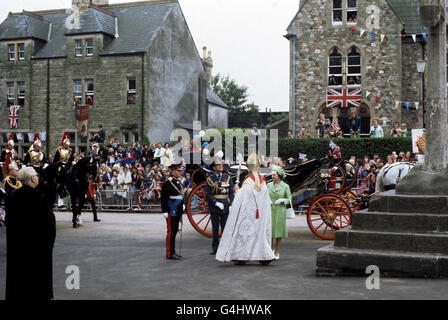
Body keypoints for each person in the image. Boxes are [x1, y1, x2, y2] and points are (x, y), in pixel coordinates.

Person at [5, 166, 56, 300]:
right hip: (37, 247)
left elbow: (8, 221)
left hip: (17, 246)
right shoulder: (39, 197)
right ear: (33, 178)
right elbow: (49, 223)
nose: (38, 177)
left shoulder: (12, 196)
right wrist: (49, 243)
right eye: (37, 176)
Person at [216, 153, 276, 265]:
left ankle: (241, 256)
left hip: (247, 215)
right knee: (259, 234)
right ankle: (263, 255)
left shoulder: (248, 182)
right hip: (260, 216)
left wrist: (237, 190)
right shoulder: (263, 182)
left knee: (244, 235)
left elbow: (240, 199)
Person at [205, 158, 235, 255]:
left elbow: (231, 193)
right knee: (215, 228)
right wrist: (215, 202)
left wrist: (231, 204)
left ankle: (226, 247)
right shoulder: (210, 179)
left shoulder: (227, 178)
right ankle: (215, 248)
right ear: (214, 167)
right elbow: (208, 194)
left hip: (225, 205)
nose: (220, 166)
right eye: (218, 165)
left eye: (221, 164)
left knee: (225, 228)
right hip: (215, 205)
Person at [161, 163, 185, 260]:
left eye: (180, 171)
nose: (180, 172)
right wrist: (164, 211)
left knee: (175, 231)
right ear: (173, 171)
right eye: (178, 171)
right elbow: (164, 198)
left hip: (177, 208)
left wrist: (182, 204)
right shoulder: (168, 182)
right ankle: (169, 253)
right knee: (171, 232)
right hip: (171, 210)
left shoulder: (178, 181)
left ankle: (173, 251)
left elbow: (180, 195)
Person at [267, 166, 291, 260]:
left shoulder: (285, 186)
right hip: (270, 209)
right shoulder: (268, 185)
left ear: (279, 175)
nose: (272, 176)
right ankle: (270, 250)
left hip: (280, 211)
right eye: (272, 175)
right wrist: (267, 200)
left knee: (278, 232)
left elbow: (289, 199)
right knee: (269, 231)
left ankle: (277, 252)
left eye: (274, 175)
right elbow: (264, 195)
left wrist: (282, 200)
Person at [53, 132, 74, 198]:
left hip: (68, 167)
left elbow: (71, 159)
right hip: (60, 167)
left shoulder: (70, 151)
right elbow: (55, 160)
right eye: (66, 144)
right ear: (63, 144)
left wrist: (72, 163)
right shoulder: (59, 150)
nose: (67, 146)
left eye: (68, 145)